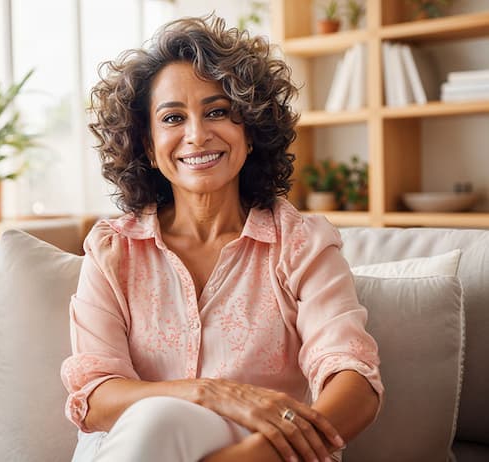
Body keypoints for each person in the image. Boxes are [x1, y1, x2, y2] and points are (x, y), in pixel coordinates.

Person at [60, 14, 383, 462]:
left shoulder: (300, 244)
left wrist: (252, 456)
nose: (197, 135)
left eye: (217, 112)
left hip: (263, 453)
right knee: (155, 420)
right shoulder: (113, 250)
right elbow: (94, 398)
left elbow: (354, 379)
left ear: (249, 131)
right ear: (150, 148)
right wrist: (210, 394)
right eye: (173, 118)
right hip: (128, 446)